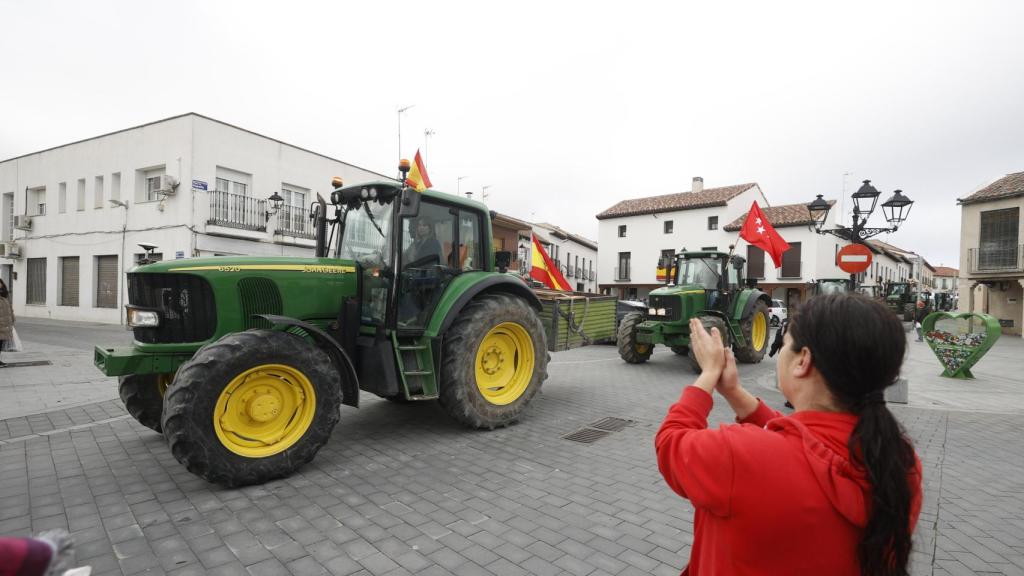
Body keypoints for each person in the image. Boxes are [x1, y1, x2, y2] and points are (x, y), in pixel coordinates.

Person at [656, 293, 922, 576]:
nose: (781, 351)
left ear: (802, 361)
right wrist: (733, 392)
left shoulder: (742, 457)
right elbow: (806, 444)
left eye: (783, 344)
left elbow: (671, 441)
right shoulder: (898, 460)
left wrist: (708, 374)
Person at [0, 279, 14, 367]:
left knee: (0, 344)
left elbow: (10, 308)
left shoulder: (5, 295)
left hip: (5, 324)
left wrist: (12, 318)